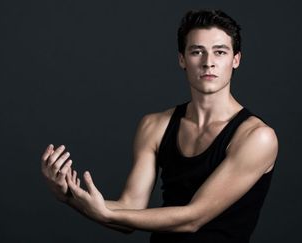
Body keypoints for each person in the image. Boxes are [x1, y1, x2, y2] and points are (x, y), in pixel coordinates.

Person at [41, 9, 278, 243]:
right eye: (197, 51)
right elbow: (130, 208)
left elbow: (193, 218)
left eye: (220, 52)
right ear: (182, 59)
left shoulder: (256, 137)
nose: (208, 63)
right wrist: (68, 195)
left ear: (235, 59)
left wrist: (107, 212)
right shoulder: (155, 125)